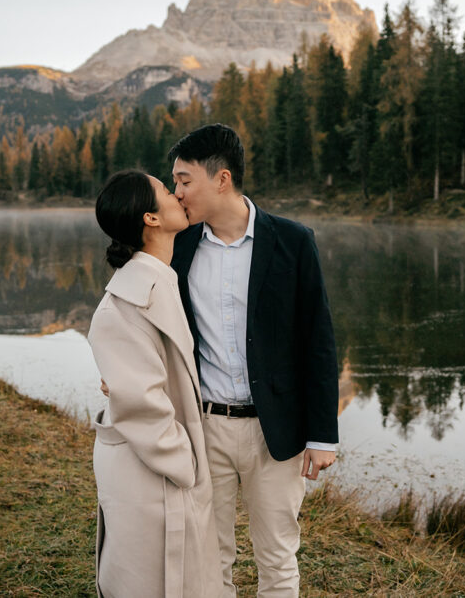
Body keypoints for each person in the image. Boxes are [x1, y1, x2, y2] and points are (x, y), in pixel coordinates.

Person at [169, 124, 339, 597]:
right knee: (208, 554)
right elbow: (152, 317)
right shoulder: (177, 246)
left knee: (278, 556)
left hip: (276, 431)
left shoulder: (293, 241)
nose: (176, 192)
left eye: (184, 181)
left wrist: (322, 434)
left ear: (220, 179)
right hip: (205, 429)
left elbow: (318, 340)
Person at [87, 169, 222, 598]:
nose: (177, 193)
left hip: (163, 476)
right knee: (148, 583)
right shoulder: (121, 306)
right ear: (151, 219)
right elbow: (144, 406)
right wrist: (188, 465)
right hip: (153, 476)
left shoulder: (162, 280)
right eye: (167, 190)